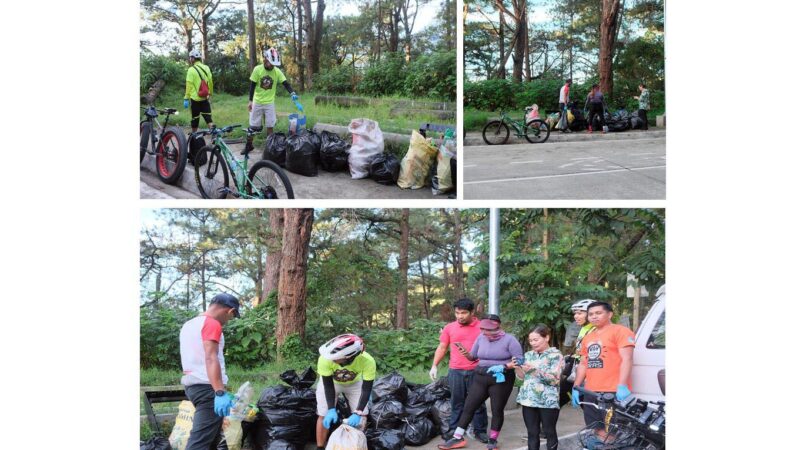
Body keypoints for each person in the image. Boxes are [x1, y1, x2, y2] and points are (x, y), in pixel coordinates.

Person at [438, 315, 523, 450]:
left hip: (500, 378)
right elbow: (473, 357)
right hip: (481, 376)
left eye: (488, 329)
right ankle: (457, 438)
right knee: (469, 406)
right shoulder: (481, 337)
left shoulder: (510, 340)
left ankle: (493, 441)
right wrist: (465, 353)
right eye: (483, 329)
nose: (485, 332)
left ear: (497, 326)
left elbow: (519, 360)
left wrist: (505, 366)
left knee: (496, 410)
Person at [178, 293, 240, 450]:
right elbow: (211, 358)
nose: (228, 321)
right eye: (232, 316)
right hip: (208, 389)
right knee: (199, 443)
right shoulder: (212, 324)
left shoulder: (189, 324)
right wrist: (219, 392)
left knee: (211, 440)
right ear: (230, 310)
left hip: (194, 386)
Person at [430, 298, 489, 443]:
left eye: (463, 313)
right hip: (456, 371)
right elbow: (442, 347)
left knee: (478, 402)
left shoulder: (482, 327)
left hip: (477, 371)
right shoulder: (450, 328)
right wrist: (434, 365)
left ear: (472, 312)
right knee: (457, 402)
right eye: (457, 313)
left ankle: (480, 431)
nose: (460, 316)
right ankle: (454, 430)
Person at [571, 302, 635, 435]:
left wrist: (622, 386)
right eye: (591, 314)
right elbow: (583, 363)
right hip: (591, 392)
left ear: (610, 314)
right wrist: (576, 387)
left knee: (613, 432)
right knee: (596, 429)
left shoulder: (621, 331)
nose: (594, 317)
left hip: (612, 391)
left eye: (598, 313)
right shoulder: (588, 337)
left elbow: (627, 359)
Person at [315, 333, 376, 450]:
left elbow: (366, 388)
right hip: (332, 383)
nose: (331, 360)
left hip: (355, 384)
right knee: (323, 414)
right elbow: (328, 386)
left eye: (336, 359)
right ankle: (320, 447)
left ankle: (356, 445)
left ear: (349, 357)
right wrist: (331, 409)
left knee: (362, 416)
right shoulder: (325, 358)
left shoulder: (368, 361)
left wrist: (358, 412)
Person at [515, 325, 564, 450]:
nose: (533, 343)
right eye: (531, 341)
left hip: (548, 400)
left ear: (546, 337)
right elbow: (521, 378)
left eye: (536, 340)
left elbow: (554, 380)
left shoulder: (555, 355)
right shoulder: (528, 354)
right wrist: (517, 367)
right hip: (528, 400)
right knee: (532, 433)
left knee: (549, 431)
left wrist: (533, 370)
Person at [243, 47, 299, 154]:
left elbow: (286, 83)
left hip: (269, 103)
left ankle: (269, 148)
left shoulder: (277, 71)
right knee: (253, 126)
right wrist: (250, 101)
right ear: (265, 59)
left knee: (270, 126)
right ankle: (249, 145)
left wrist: (292, 93)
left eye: (273, 64)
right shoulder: (257, 69)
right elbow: (252, 86)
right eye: (270, 63)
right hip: (257, 101)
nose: (272, 66)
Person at [183, 49, 215, 133]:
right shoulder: (206, 68)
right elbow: (211, 82)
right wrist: (210, 93)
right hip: (205, 98)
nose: (190, 59)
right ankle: (215, 137)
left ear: (193, 58)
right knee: (208, 118)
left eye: (190, 57)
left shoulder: (191, 70)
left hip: (195, 100)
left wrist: (186, 98)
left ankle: (194, 136)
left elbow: (188, 85)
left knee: (195, 119)